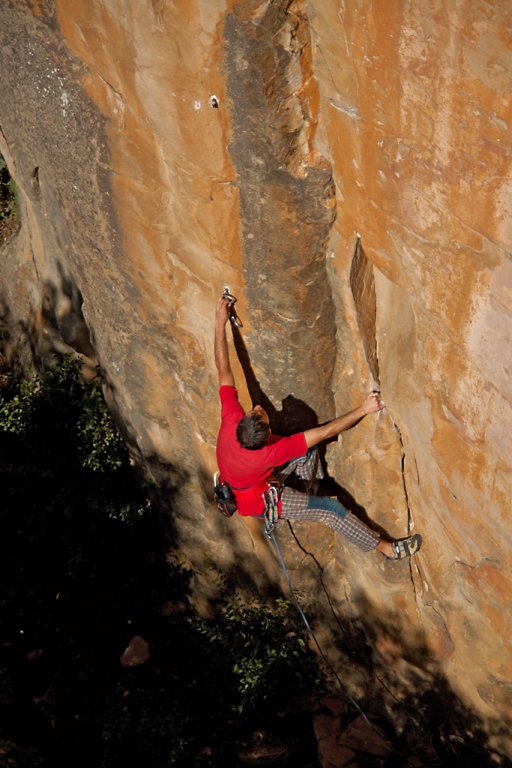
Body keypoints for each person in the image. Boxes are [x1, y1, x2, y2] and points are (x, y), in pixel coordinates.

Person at [214, 294, 422, 560]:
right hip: (258, 499)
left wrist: (220, 323)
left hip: (246, 477)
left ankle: (308, 483)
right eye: (261, 414)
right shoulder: (271, 453)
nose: (258, 408)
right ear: (266, 439)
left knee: (307, 453)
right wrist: (364, 409)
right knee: (329, 510)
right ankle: (387, 549)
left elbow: (224, 371)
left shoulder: (231, 419)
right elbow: (325, 432)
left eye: (255, 412)